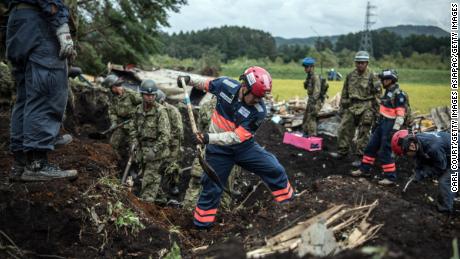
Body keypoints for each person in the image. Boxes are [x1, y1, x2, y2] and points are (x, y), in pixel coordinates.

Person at [178, 66, 294, 228]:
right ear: (245, 87)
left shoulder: (258, 112)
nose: (258, 101)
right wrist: (189, 80)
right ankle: (201, 227)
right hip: (218, 151)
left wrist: (207, 138)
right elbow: (207, 84)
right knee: (211, 189)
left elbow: (236, 137)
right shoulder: (226, 85)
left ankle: (290, 206)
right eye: (255, 96)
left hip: (243, 147)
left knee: (275, 168)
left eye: (261, 97)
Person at [6, 0, 77, 181]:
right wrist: (61, 23)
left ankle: (20, 163)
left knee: (26, 95)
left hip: (17, 23)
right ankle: (37, 163)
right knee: (45, 91)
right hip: (39, 21)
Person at [182, 95, 242, 211]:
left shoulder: (207, 106)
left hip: (214, 152)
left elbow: (200, 130)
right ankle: (218, 219)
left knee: (198, 186)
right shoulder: (238, 108)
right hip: (221, 153)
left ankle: (188, 213)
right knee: (221, 189)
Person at [351, 69, 408, 185]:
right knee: (370, 146)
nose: (382, 81)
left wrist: (395, 130)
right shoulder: (387, 92)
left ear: (390, 80)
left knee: (385, 151)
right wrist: (377, 123)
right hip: (381, 123)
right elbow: (383, 110)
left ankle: (390, 177)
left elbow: (401, 114)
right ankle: (364, 170)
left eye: (384, 79)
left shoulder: (399, 94)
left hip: (390, 125)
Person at [330, 51, 381, 166]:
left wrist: (377, 113)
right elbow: (345, 92)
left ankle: (360, 156)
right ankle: (342, 152)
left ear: (367, 63)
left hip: (366, 106)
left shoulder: (373, 76)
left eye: (362, 63)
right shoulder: (350, 75)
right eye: (358, 63)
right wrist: (342, 107)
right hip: (352, 106)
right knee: (343, 128)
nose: (360, 65)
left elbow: (378, 96)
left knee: (364, 133)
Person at [391, 130, 456, 213]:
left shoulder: (433, 147)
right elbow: (420, 158)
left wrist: (422, 174)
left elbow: (440, 167)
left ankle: (445, 211)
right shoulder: (417, 140)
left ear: (411, 146)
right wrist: (417, 171)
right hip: (448, 153)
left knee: (445, 181)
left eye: (405, 153)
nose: (406, 156)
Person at [129, 80, 171, 202]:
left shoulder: (160, 111)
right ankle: (161, 200)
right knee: (148, 178)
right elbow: (133, 128)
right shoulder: (138, 109)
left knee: (149, 180)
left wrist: (155, 150)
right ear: (142, 95)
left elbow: (165, 135)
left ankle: (146, 204)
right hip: (142, 150)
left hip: (156, 153)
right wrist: (134, 143)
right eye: (147, 95)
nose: (150, 97)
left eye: (152, 95)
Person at [102, 74, 141, 163]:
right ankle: (118, 162)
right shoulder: (113, 97)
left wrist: (138, 116)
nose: (111, 90)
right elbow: (112, 112)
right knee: (112, 145)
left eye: (111, 88)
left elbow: (143, 104)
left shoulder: (131, 94)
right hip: (121, 125)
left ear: (114, 87)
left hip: (133, 126)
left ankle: (134, 167)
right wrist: (114, 122)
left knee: (134, 149)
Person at [156, 90, 183, 196]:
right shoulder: (155, 110)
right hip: (160, 139)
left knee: (171, 165)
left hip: (173, 142)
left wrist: (166, 138)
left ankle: (173, 184)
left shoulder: (173, 111)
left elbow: (178, 130)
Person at [301, 57, 326, 136]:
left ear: (311, 67)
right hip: (311, 99)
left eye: (306, 67)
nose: (305, 69)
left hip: (316, 101)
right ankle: (305, 134)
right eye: (304, 67)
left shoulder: (315, 77)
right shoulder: (309, 77)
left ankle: (312, 137)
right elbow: (306, 87)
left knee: (311, 117)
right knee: (306, 118)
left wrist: (313, 103)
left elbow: (316, 92)